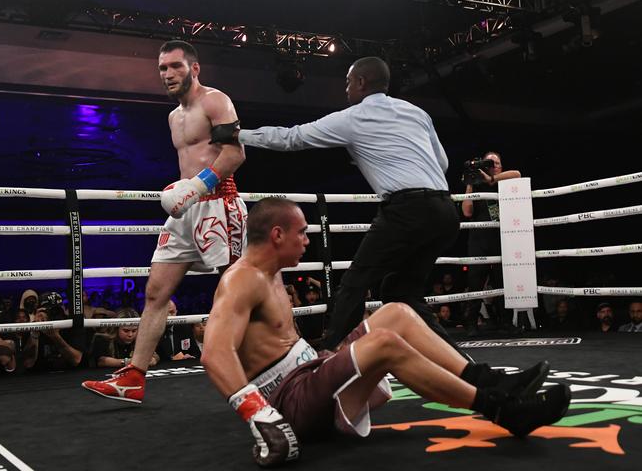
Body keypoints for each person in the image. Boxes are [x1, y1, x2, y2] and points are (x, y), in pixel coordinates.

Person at [201, 198, 569, 467]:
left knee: (397, 313)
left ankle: (492, 383)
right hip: (290, 401)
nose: (307, 241)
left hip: (309, 375)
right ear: (277, 234)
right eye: (302, 233)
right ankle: (502, 411)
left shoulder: (272, 271)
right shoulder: (242, 280)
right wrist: (259, 414)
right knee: (385, 343)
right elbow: (215, 353)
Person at [213, 56, 463, 353]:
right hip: (446, 210)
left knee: (354, 285)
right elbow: (443, 163)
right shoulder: (417, 112)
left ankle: (330, 360)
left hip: (406, 209)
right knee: (400, 290)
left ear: (360, 82)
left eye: (348, 82)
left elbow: (291, 139)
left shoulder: (353, 118)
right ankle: (468, 370)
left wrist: (238, 134)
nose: (345, 90)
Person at [82, 40, 247, 403]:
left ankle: (282, 361)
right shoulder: (174, 117)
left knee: (242, 291)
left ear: (195, 68)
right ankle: (134, 376)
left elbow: (236, 153)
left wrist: (196, 185)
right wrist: (185, 190)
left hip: (220, 205)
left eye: (175, 66)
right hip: (186, 210)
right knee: (156, 292)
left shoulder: (215, 101)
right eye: (162, 68)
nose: (168, 74)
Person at [461, 151, 521, 335]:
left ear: (501, 166)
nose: (493, 165)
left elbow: (517, 174)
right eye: (490, 162)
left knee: (502, 283)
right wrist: (470, 184)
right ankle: (471, 323)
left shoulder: (505, 183)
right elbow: (467, 212)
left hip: (501, 240)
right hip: (478, 240)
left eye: (496, 163)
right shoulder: (477, 185)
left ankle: (506, 322)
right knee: (475, 282)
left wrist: (491, 179)